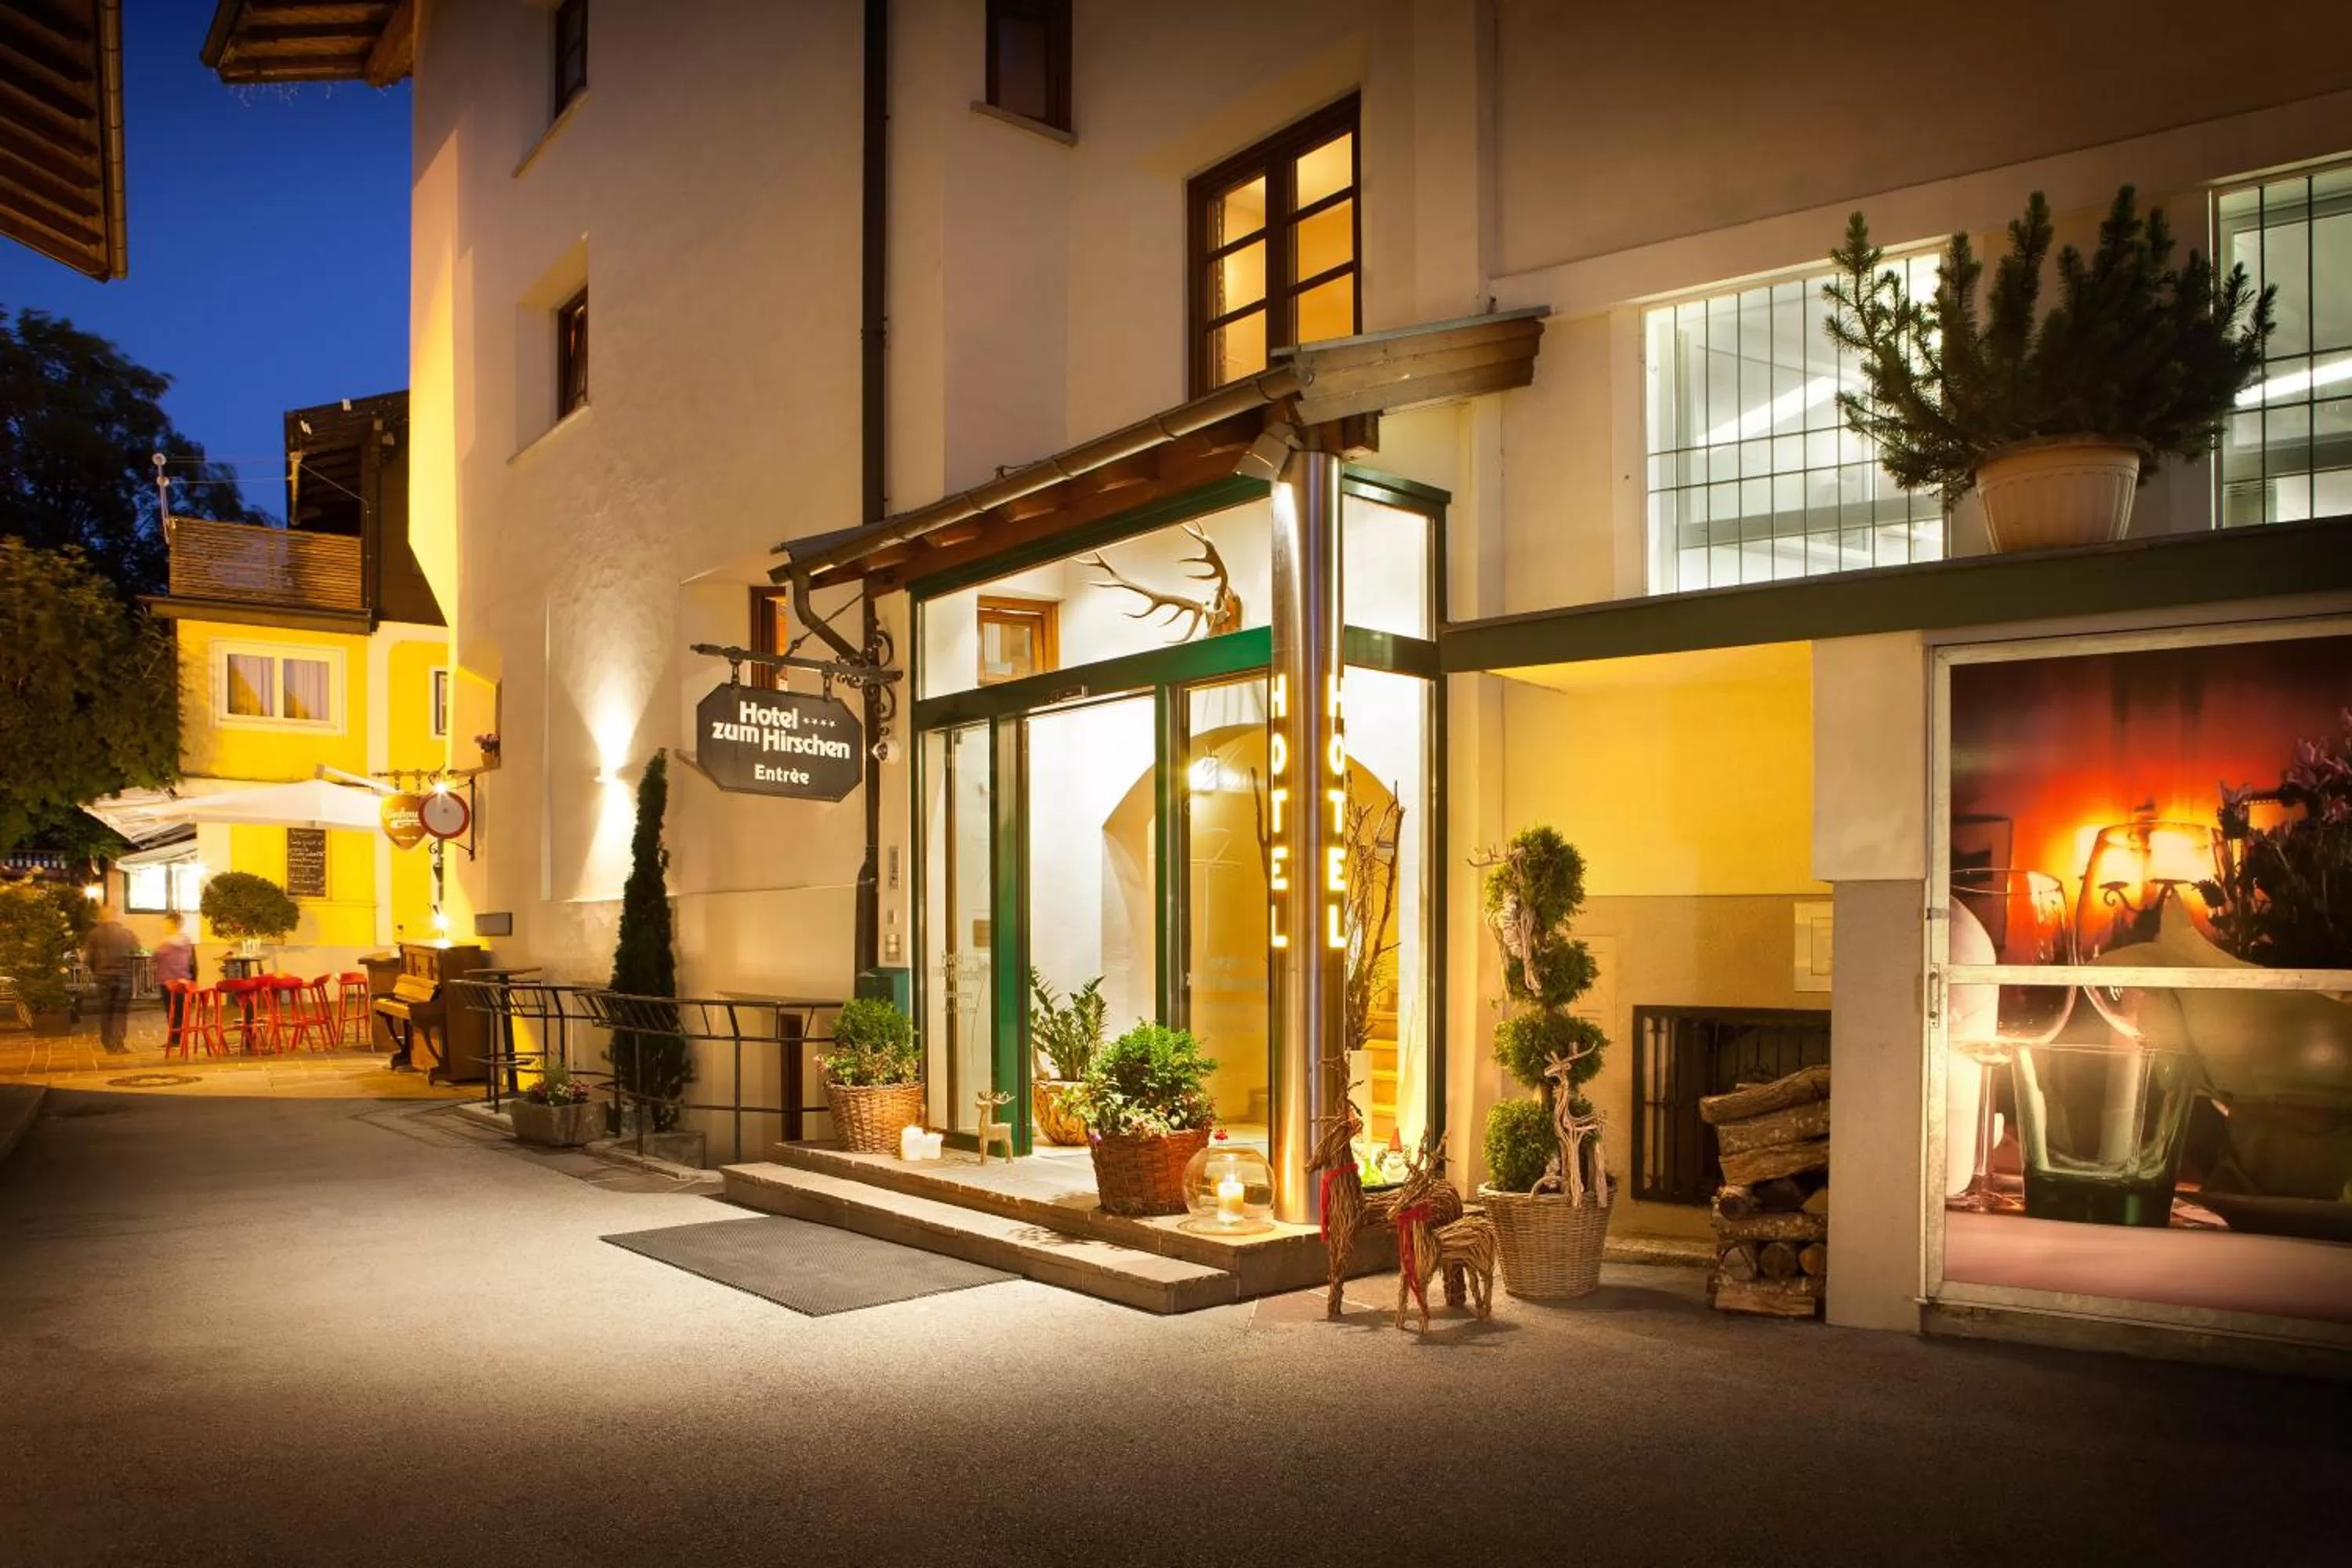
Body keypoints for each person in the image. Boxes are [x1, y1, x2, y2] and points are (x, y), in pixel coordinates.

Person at [82, 902, 139, 1054]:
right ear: (116, 916)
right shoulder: (127, 934)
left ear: (102, 916)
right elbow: (136, 953)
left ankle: (108, 1043)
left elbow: (89, 959)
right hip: (124, 977)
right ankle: (119, 1043)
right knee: (120, 1012)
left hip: (103, 977)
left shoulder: (94, 934)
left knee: (106, 1010)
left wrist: (97, 972)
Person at [153, 912, 196, 1053]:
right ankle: (179, 1039)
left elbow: (155, 957)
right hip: (183, 979)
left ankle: (174, 1039)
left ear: (172, 924)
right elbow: (191, 961)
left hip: (167, 979)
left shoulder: (165, 943)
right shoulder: (187, 941)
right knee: (180, 1010)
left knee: (170, 1011)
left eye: (166, 923)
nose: (164, 926)